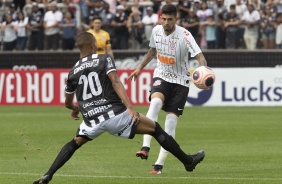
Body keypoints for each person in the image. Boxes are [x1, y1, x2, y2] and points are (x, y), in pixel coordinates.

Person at [33, 31, 205, 184]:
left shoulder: (73, 71)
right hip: (114, 115)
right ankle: (188, 162)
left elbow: (67, 102)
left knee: (74, 143)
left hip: (92, 120)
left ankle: (48, 174)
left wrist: (74, 108)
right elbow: (115, 81)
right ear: (94, 45)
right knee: (155, 128)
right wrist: (129, 107)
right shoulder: (104, 58)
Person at [128, 4, 207, 175]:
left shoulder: (185, 35)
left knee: (170, 123)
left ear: (176, 19)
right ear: (160, 18)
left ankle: (158, 165)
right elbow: (152, 52)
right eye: (163, 19)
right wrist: (140, 68)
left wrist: (203, 70)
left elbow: (200, 56)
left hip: (181, 82)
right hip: (162, 75)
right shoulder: (156, 31)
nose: (166, 22)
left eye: (170, 19)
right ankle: (145, 146)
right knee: (155, 102)